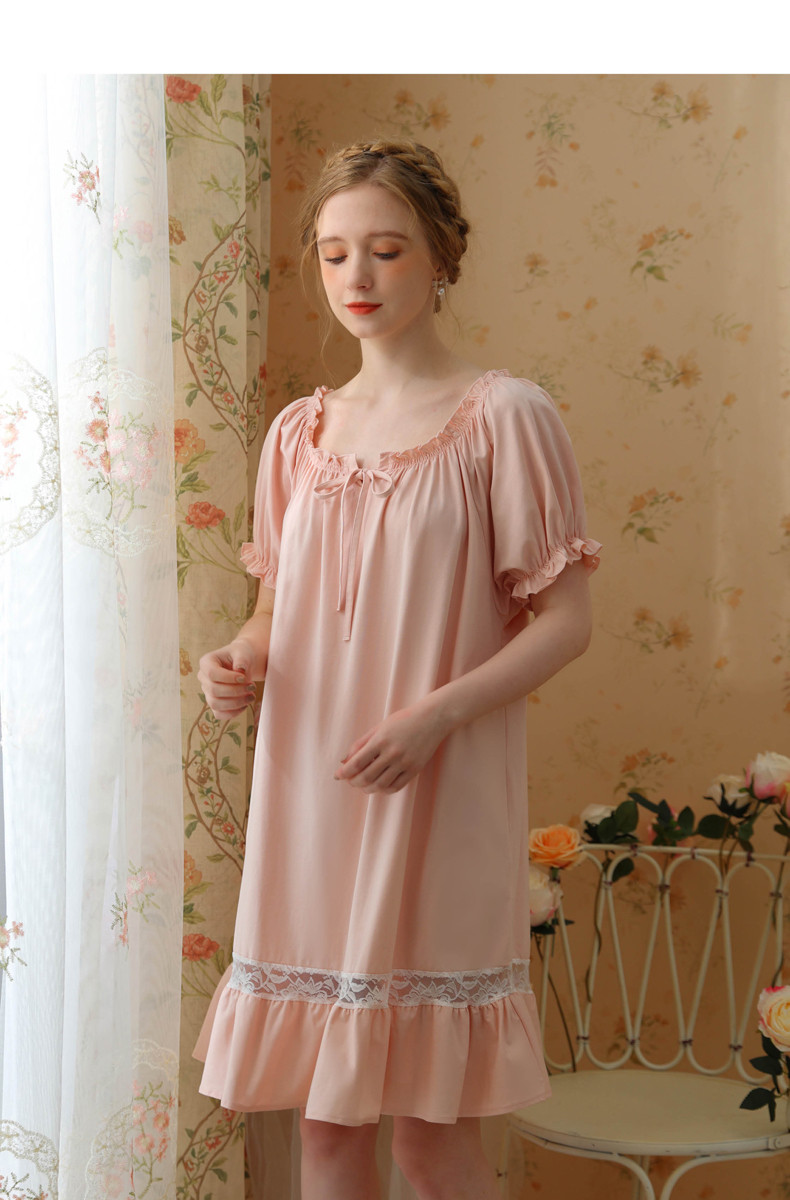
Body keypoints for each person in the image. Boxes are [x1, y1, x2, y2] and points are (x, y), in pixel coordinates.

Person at [194, 138, 602, 1200]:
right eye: (334, 255)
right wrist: (238, 659)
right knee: (326, 1132)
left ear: (441, 259)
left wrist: (434, 716)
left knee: (431, 1139)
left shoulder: (503, 416)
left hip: (441, 788)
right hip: (311, 798)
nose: (357, 278)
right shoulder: (298, 435)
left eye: (385, 249)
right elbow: (275, 609)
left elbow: (564, 622)